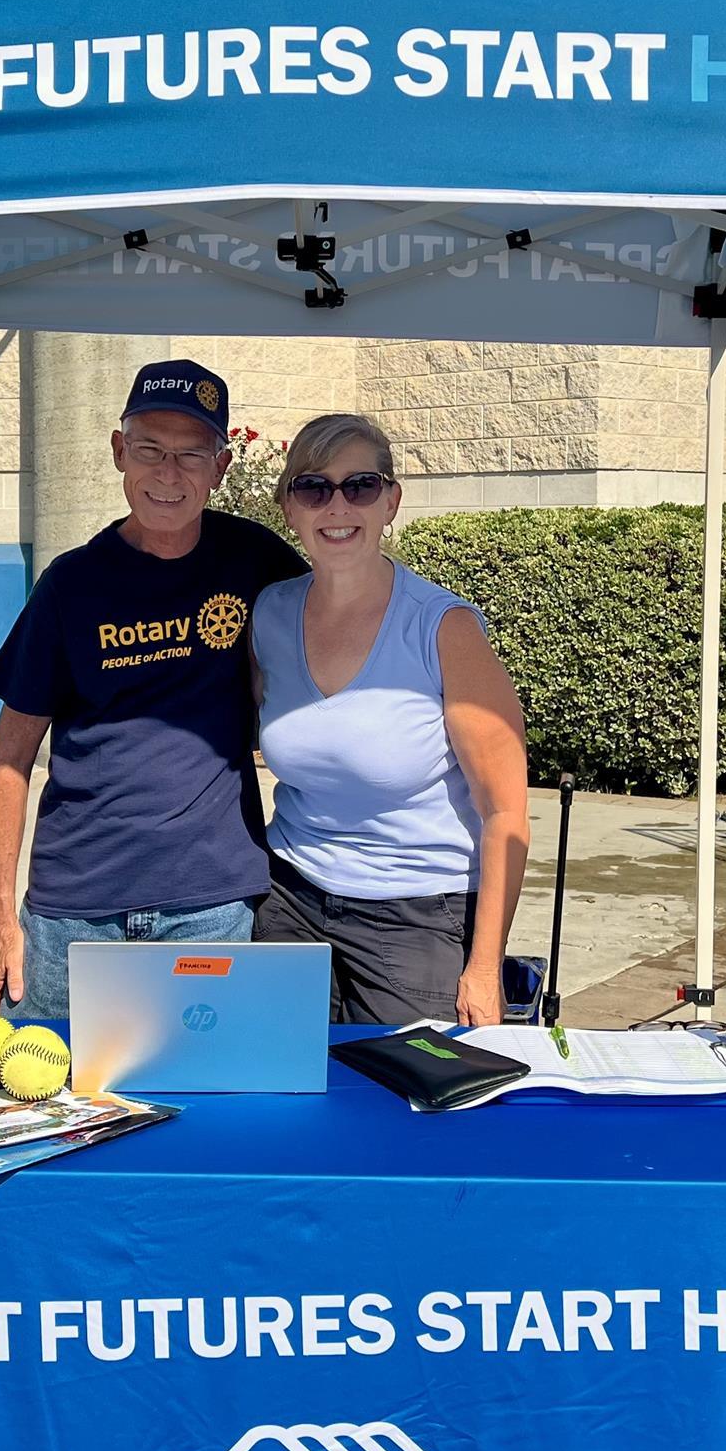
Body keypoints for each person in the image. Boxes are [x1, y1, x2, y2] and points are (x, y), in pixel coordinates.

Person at [0, 360, 305, 1017]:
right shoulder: (70, 585)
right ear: (119, 452)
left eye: (191, 455)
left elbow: (343, 615)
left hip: (211, 906)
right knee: (53, 1081)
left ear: (220, 467)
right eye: (150, 449)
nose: (168, 473)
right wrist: (0, 916)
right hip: (73, 912)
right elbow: (10, 757)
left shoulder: (255, 560)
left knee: (205, 1082)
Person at [250, 413, 530, 1025]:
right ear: (289, 508)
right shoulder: (269, 614)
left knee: (408, 1084)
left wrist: (485, 969)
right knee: (279, 1076)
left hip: (417, 915)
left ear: (390, 502)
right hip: (290, 899)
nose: (337, 505)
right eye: (313, 488)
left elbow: (506, 814)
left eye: (360, 486)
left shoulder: (443, 627)